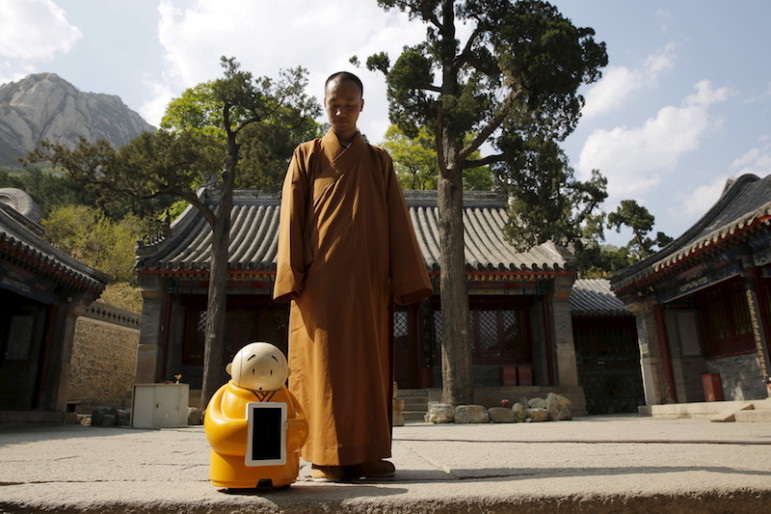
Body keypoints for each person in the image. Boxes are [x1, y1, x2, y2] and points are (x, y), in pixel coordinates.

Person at [273, 71, 432, 482]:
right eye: (334, 104)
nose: (341, 111)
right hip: (321, 285)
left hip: (368, 283)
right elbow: (290, 218)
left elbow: (397, 220)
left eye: (349, 104)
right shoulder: (305, 155)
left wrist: (403, 278)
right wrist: (294, 275)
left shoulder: (379, 160)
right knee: (323, 367)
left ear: (362, 106)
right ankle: (326, 456)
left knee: (367, 365)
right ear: (324, 106)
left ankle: (366, 453)